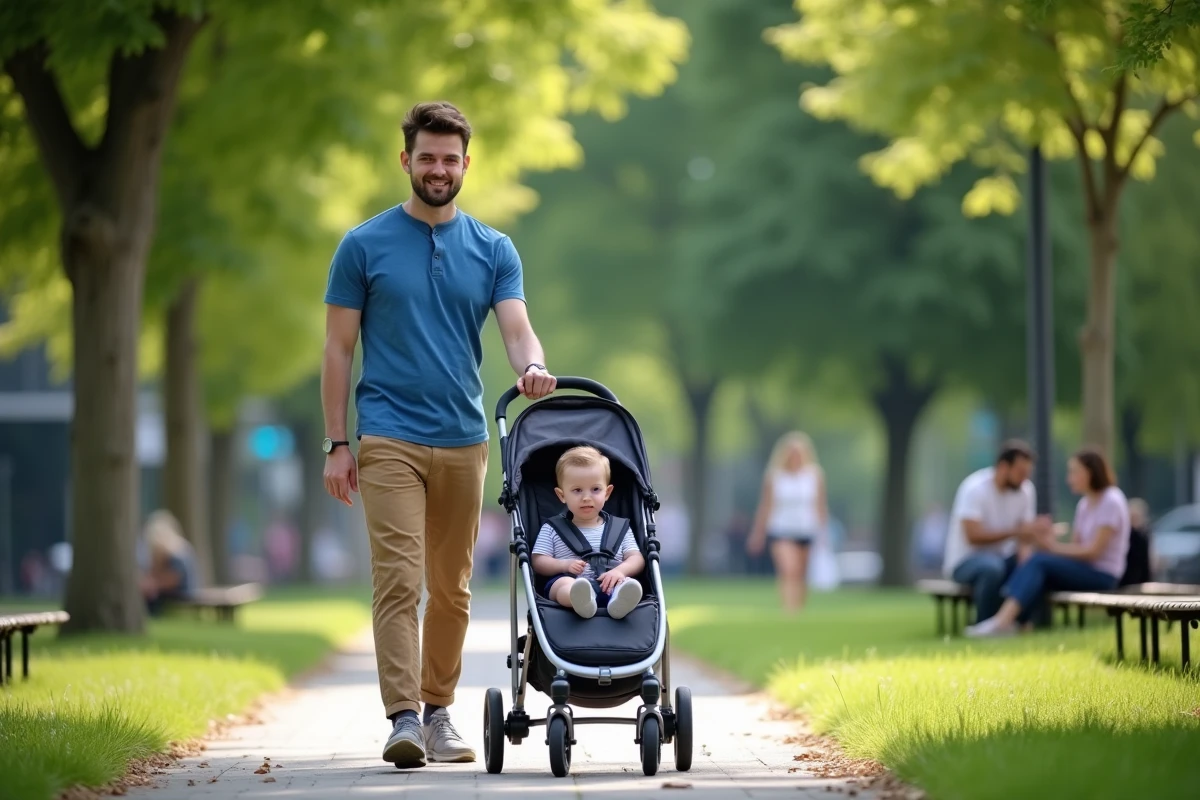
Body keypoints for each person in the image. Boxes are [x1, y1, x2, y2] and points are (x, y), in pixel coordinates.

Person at [321, 101, 557, 769]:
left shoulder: (493, 249)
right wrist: (337, 443)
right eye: (427, 157)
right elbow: (338, 350)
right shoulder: (362, 245)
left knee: (452, 587)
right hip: (388, 434)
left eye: (450, 159)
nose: (438, 169)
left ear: (465, 165)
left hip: (462, 437)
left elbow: (515, 328)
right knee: (398, 580)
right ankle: (401, 718)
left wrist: (533, 366)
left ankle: (438, 711)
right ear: (406, 160)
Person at [967, 448, 1132, 637]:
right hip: (1085, 570)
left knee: (1038, 561)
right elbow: (1077, 547)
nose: (1070, 478)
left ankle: (1002, 622)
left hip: (1103, 575)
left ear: (1090, 472)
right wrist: (1047, 539)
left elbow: (1093, 552)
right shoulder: (1084, 504)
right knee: (1036, 565)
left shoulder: (1111, 500)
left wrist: (1052, 547)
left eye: (1074, 472)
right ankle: (1018, 624)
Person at [942, 440, 1051, 624]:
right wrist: (1016, 532)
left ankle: (1020, 623)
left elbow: (1023, 537)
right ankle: (985, 624)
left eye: (1027, 473)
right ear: (1003, 467)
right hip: (965, 561)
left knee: (1036, 565)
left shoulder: (1025, 491)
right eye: (1020, 473)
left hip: (1003, 559)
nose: (1024, 478)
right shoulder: (974, 489)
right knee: (992, 568)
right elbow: (973, 536)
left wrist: (1028, 552)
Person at [531, 446, 646, 619]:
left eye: (595, 489)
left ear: (607, 492)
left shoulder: (619, 528)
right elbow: (538, 560)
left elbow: (636, 558)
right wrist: (563, 565)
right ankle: (581, 601)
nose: (586, 497)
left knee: (627, 584)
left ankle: (619, 603)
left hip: (610, 582)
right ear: (562, 495)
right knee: (563, 584)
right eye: (577, 490)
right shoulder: (552, 528)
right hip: (573, 581)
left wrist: (620, 571)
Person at [746, 431, 828, 613]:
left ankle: (798, 607)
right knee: (788, 569)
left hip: (806, 529)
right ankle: (788, 609)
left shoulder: (814, 476)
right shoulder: (774, 476)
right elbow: (766, 506)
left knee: (801, 572)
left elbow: (820, 506)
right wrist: (758, 533)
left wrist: (823, 532)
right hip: (781, 528)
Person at [138, 509, 197, 616]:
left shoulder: (177, 553)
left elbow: (174, 579)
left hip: (182, 594)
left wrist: (152, 584)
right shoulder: (171, 550)